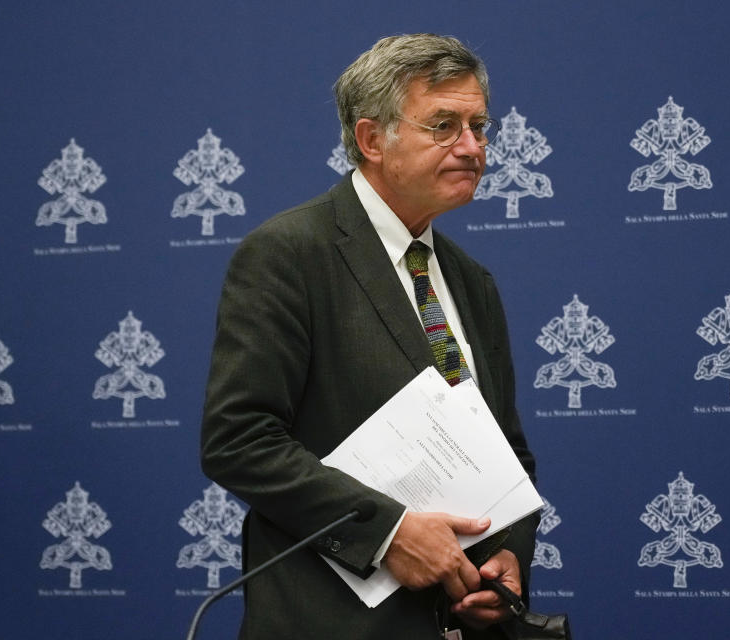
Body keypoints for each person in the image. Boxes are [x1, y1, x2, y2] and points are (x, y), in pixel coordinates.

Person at [201, 33, 539, 639]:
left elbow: (506, 449)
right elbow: (238, 440)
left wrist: (507, 555)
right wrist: (387, 533)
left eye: (479, 126)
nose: (472, 146)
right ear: (370, 139)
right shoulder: (289, 254)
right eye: (444, 125)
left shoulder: (472, 281)